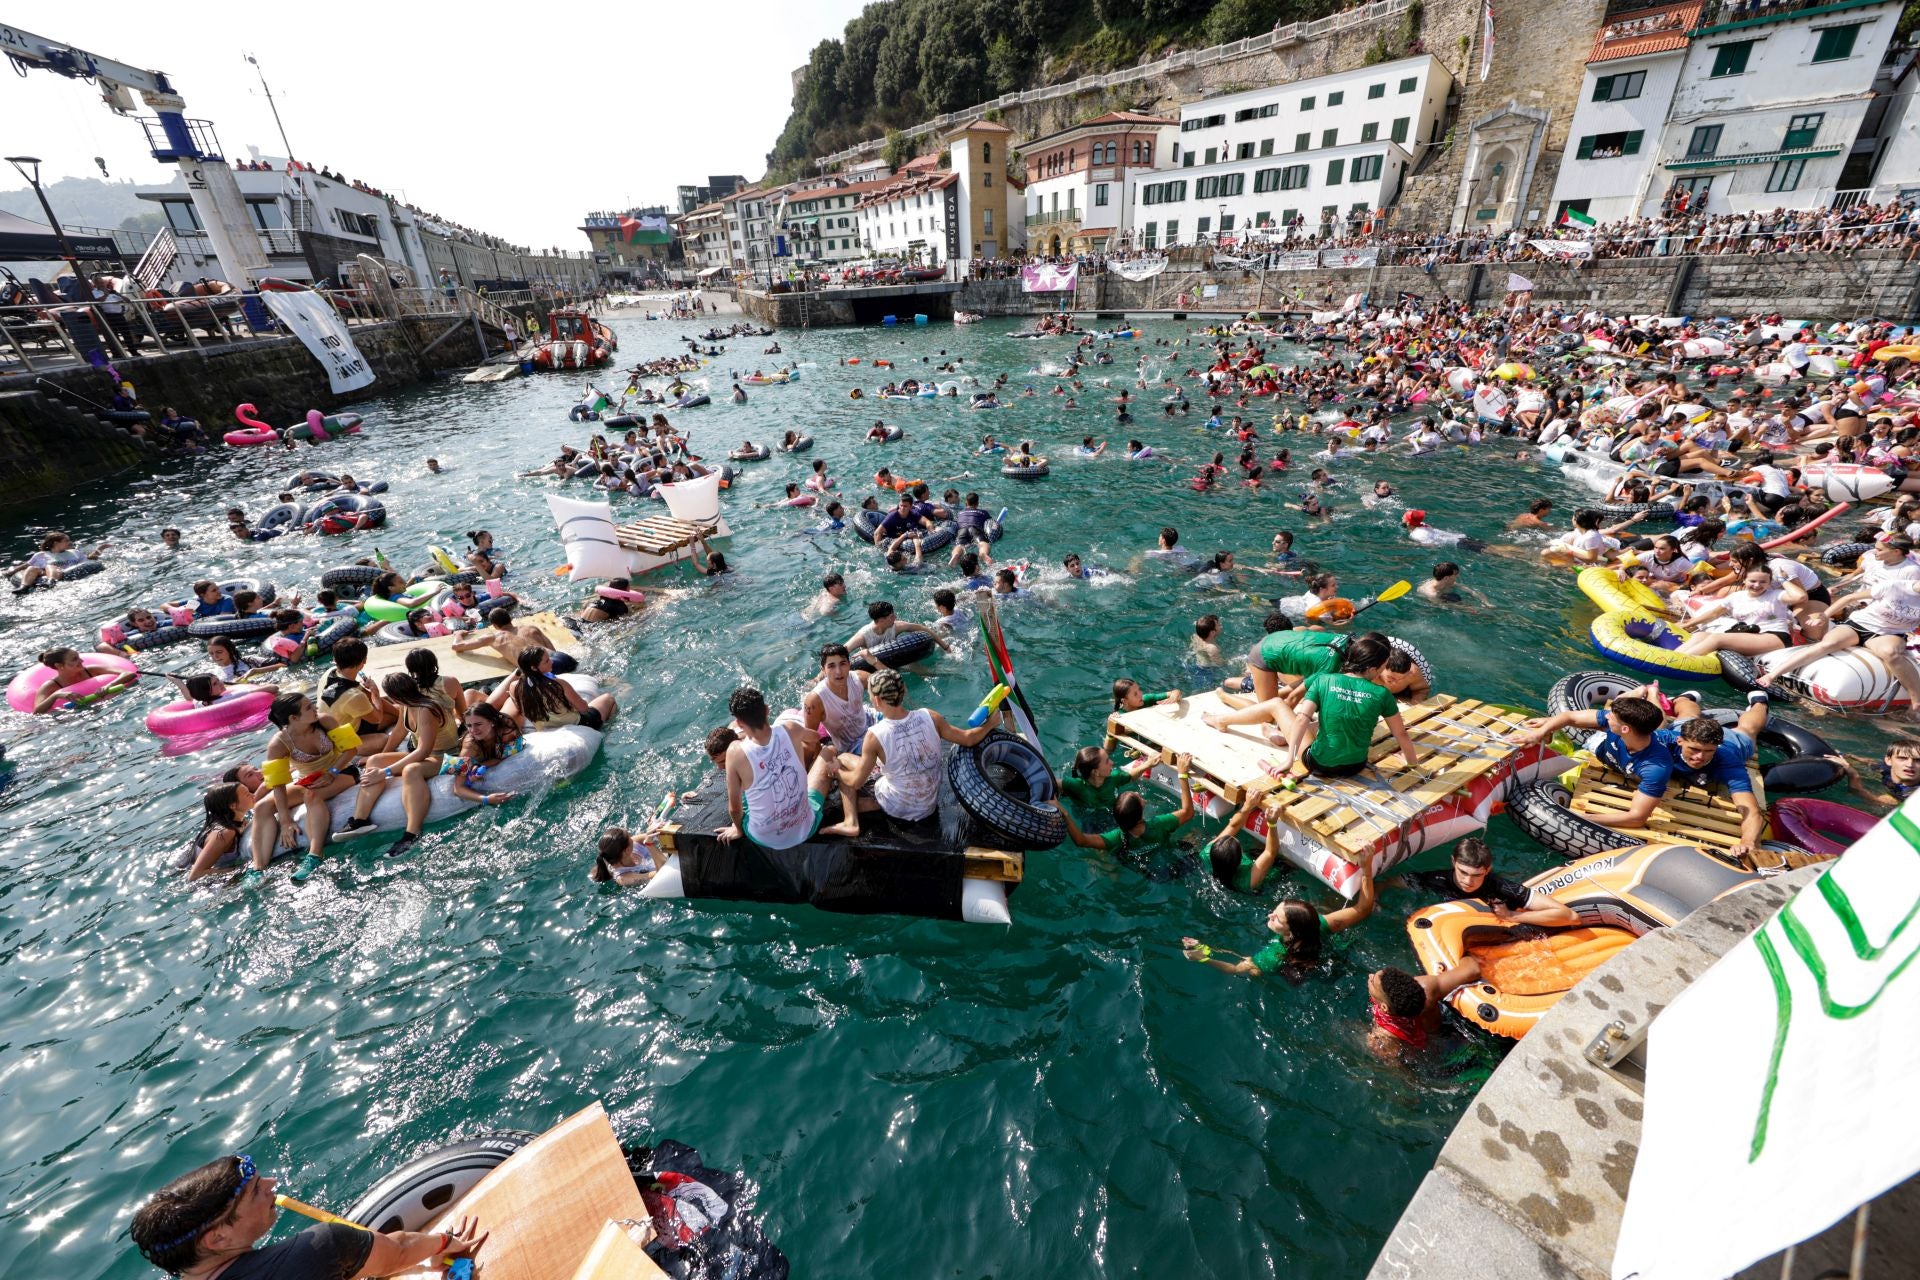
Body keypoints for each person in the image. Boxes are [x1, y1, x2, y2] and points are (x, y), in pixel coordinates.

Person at [130, 1152, 486, 1279]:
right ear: (218, 1238)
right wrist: (444, 1242)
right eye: (256, 1191)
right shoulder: (320, 1249)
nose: (272, 1184)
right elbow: (400, 1251)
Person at [834, 668, 1004, 834]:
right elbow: (968, 738)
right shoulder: (929, 716)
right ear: (904, 691)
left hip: (899, 809)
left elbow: (856, 782)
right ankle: (877, 803)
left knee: (843, 759)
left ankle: (852, 819)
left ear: (877, 701)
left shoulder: (874, 735)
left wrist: (836, 771)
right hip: (928, 805)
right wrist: (990, 723)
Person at [1181, 854, 1376, 975]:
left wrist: (1205, 958)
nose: (1269, 916)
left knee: (1262, 972)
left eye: (1276, 918)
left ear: (1291, 933)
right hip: (1338, 956)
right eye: (1274, 911)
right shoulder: (1320, 924)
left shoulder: (1275, 954)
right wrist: (1366, 870)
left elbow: (1236, 969)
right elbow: (1364, 908)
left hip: (1305, 973)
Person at [717, 686, 859, 848]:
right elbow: (816, 737)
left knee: (746, 785)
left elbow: (735, 809)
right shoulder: (791, 728)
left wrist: (737, 829)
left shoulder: (735, 751)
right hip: (806, 828)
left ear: (740, 723)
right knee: (830, 751)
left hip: (764, 838)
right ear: (767, 710)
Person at [1279, 634, 1424, 777]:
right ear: (1372, 669)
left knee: (1277, 705)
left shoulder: (1324, 680)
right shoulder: (1383, 693)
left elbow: (1301, 720)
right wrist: (1412, 763)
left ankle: (1272, 732)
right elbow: (1401, 733)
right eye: (1383, 668)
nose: (1382, 672)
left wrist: (1289, 760)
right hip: (1355, 766)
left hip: (1319, 764)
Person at [258, 692, 363, 883]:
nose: (315, 708)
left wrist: (331, 773)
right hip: (309, 780)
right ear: (293, 718)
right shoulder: (278, 744)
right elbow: (278, 785)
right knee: (261, 807)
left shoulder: (325, 721)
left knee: (311, 795)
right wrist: (285, 821)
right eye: (308, 707)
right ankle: (258, 869)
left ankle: (315, 855)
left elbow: (351, 749)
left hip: (342, 772)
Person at [1395, 837, 1578, 926]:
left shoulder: (1501, 887)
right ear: (1454, 862)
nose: (1468, 881)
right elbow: (1395, 881)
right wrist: (1377, 895)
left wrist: (1512, 916)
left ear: (1488, 870)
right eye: (1463, 872)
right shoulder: (1438, 879)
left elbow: (1569, 916)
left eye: (1477, 875)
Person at [1057, 753, 1198, 855]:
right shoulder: (1158, 824)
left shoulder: (1117, 838)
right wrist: (1182, 774)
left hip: (1147, 873)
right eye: (1138, 797)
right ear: (1141, 813)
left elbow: (1082, 841)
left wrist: (1064, 813)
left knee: (1103, 855)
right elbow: (1188, 812)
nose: (1138, 794)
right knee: (1196, 835)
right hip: (1172, 863)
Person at [1365, 962, 1483, 1057]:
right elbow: (1474, 968)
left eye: (1372, 982)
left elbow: (1400, 1070)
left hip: (1433, 1051)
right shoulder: (1426, 988)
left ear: (1384, 1007)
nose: (1370, 976)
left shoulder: (1384, 1036)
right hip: (1446, 1031)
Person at [454, 607, 580, 672]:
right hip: (561, 657)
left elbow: (457, 647)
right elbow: (552, 649)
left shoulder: (493, 638)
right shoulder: (531, 628)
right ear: (510, 619)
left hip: (541, 667)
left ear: (494, 626)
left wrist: (458, 634)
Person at [803, 643, 871, 757]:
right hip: (849, 746)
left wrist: (873, 660)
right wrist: (827, 760)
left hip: (869, 721)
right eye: (831, 666)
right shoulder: (815, 700)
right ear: (823, 670)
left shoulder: (859, 678)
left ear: (849, 665)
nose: (838, 671)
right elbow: (810, 738)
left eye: (843, 664)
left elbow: (892, 685)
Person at [27, 647, 137, 713]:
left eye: (78, 657)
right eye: (75, 659)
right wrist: (56, 695)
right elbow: (37, 711)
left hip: (111, 706)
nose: (82, 660)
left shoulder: (92, 670)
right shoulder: (51, 686)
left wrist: (110, 685)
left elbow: (129, 673)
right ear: (60, 665)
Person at [846, 600, 952, 667]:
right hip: (873, 666)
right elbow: (844, 649)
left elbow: (922, 628)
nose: (895, 618)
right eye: (891, 616)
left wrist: (945, 646)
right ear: (881, 620)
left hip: (894, 659)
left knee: (918, 668)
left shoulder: (896, 627)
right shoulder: (863, 636)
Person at [1835, 739, 1920, 806]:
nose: (1910, 764)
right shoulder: (1885, 768)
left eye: (1918, 760)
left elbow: (1877, 802)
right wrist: (1842, 755)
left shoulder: (1913, 795)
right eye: (1902, 758)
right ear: (1888, 760)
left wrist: (1853, 774)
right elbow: (1867, 763)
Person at [9, 531, 101, 591]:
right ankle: (24, 587)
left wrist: (99, 550)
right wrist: (10, 572)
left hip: (65, 573)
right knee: (32, 568)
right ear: (56, 543)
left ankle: (51, 582)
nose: (69, 543)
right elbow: (26, 566)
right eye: (66, 541)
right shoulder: (41, 555)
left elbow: (88, 561)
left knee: (50, 566)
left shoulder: (74, 552)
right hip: (44, 574)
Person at [591, 824, 663, 885]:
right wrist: (649, 845)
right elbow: (661, 874)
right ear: (627, 850)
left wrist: (656, 829)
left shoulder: (635, 842)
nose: (632, 838)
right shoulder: (624, 878)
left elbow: (653, 836)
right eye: (629, 837)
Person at [1112, 677, 1180, 712]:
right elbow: (1110, 738)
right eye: (1135, 694)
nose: (1141, 694)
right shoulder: (1121, 716)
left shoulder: (1147, 699)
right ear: (1125, 701)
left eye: (1139, 690)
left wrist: (1173, 697)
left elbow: (1175, 692)